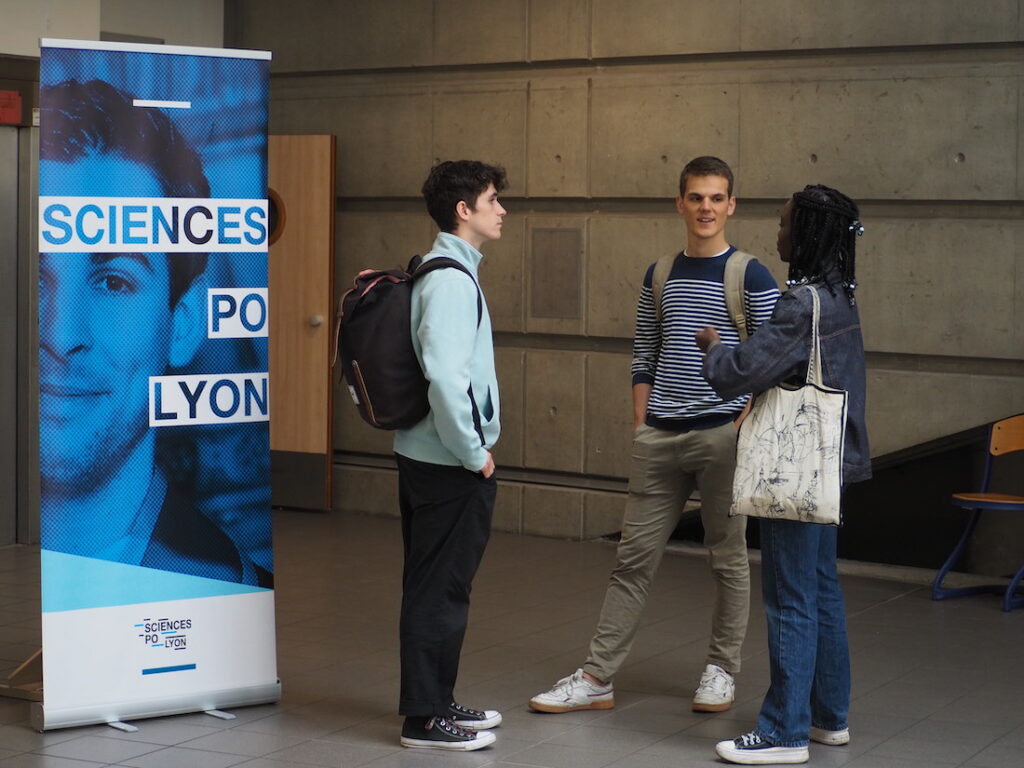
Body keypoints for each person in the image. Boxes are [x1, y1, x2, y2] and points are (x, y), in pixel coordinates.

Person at [530, 156, 779, 716]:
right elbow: (644, 352)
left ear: (731, 205)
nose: (706, 208)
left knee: (727, 559)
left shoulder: (751, 274)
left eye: (717, 198)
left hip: (722, 435)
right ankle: (597, 677)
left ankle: (721, 670)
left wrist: (741, 422)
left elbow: (772, 361)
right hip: (659, 438)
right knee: (632, 560)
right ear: (680, 203)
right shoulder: (659, 273)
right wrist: (642, 421)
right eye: (696, 197)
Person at [38, 78, 258, 584]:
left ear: (181, 324)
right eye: (36, 276)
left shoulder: (221, 588)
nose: (61, 333)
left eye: (114, 281)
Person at [696, 184, 870, 765]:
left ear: (810, 233)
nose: (778, 232)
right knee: (821, 590)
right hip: (830, 464)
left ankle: (783, 732)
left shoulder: (800, 303)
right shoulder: (841, 297)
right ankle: (829, 718)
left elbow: (742, 372)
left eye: (786, 222)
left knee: (788, 596)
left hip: (791, 468)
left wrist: (715, 345)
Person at [395, 160, 507, 752]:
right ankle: (424, 719)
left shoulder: (443, 270)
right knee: (440, 591)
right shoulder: (449, 280)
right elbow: (444, 376)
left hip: (428, 455)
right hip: (447, 462)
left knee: (437, 586)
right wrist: (474, 454)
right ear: (463, 210)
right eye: (492, 199)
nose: (501, 209)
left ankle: (439, 700)